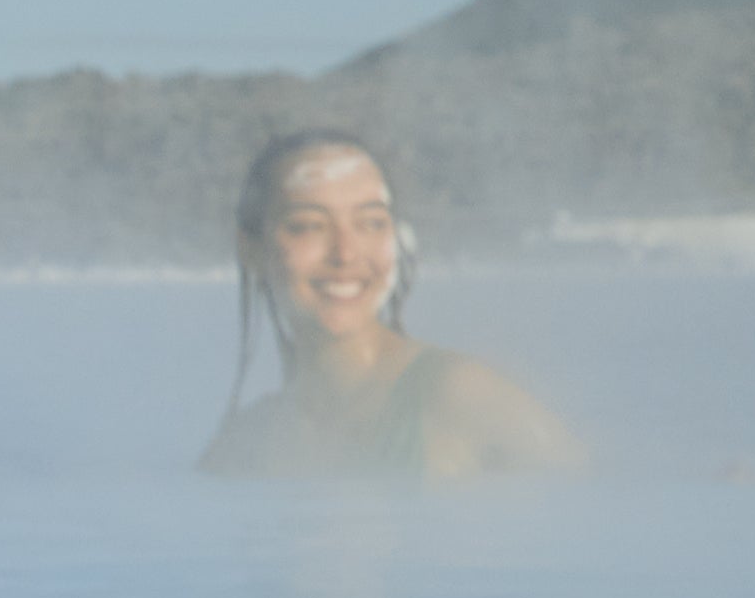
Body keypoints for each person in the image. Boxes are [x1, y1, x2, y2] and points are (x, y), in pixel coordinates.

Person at [200, 130, 581, 479]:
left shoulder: (462, 397)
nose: (345, 253)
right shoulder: (244, 444)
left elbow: (586, 499)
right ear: (250, 249)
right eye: (309, 226)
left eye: (371, 223)